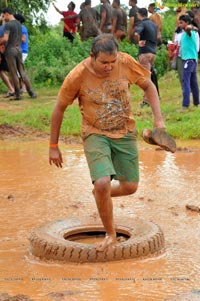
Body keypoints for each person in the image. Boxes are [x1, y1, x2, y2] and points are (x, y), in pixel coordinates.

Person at [49, 33, 166, 252]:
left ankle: (100, 194)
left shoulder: (125, 62)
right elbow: (59, 109)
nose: (109, 67)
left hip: (125, 131)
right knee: (102, 182)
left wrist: (159, 120)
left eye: (113, 62)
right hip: (95, 133)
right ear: (92, 56)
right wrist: (53, 146)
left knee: (130, 187)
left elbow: (149, 86)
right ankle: (110, 234)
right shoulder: (78, 75)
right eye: (104, 62)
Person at [0, 7, 36, 100]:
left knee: (13, 73)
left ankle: (17, 95)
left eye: (4, 16)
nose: (4, 18)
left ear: (7, 13)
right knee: (22, 72)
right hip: (19, 49)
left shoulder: (8, 25)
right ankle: (31, 92)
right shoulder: (19, 25)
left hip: (10, 50)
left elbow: (5, 39)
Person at [134, 8, 158, 107]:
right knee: (150, 76)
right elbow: (158, 37)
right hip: (153, 52)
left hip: (144, 52)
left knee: (145, 77)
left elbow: (136, 34)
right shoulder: (154, 25)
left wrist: (138, 42)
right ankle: (153, 97)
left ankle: (146, 100)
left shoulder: (142, 24)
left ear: (139, 15)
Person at [178, 14, 199, 110]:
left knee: (185, 82)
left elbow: (188, 29)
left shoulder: (188, 32)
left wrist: (190, 27)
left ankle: (185, 105)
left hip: (188, 60)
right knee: (194, 82)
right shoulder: (184, 33)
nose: (179, 25)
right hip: (192, 60)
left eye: (181, 23)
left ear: (186, 23)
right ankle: (196, 102)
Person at [0, 14, 14, 97]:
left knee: (1, 71)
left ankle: (11, 89)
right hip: (9, 51)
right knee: (10, 70)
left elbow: (3, 39)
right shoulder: (11, 28)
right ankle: (13, 89)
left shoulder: (3, 28)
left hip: (2, 51)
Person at [14, 13, 28, 93]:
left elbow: (23, 39)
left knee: (19, 70)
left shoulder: (22, 28)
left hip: (22, 51)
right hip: (18, 51)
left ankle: (24, 87)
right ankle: (20, 87)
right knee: (17, 69)